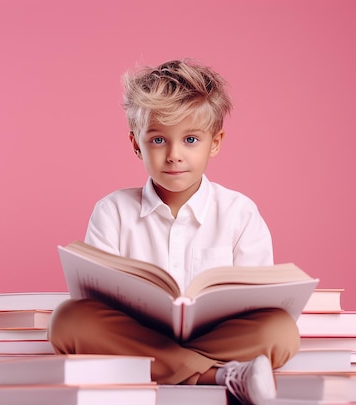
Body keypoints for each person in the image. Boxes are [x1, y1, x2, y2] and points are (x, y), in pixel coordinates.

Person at [49, 59, 300, 405]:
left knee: (281, 331)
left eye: (191, 139)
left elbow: (260, 304)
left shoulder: (240, 212)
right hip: (137, 335)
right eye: (158, 140)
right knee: (68, 321)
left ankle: (168, 368)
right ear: (136, 145)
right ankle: (220, 376)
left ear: (215, 143)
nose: (174, 155)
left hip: (214, 338)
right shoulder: (113, 211)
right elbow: (95, 302)